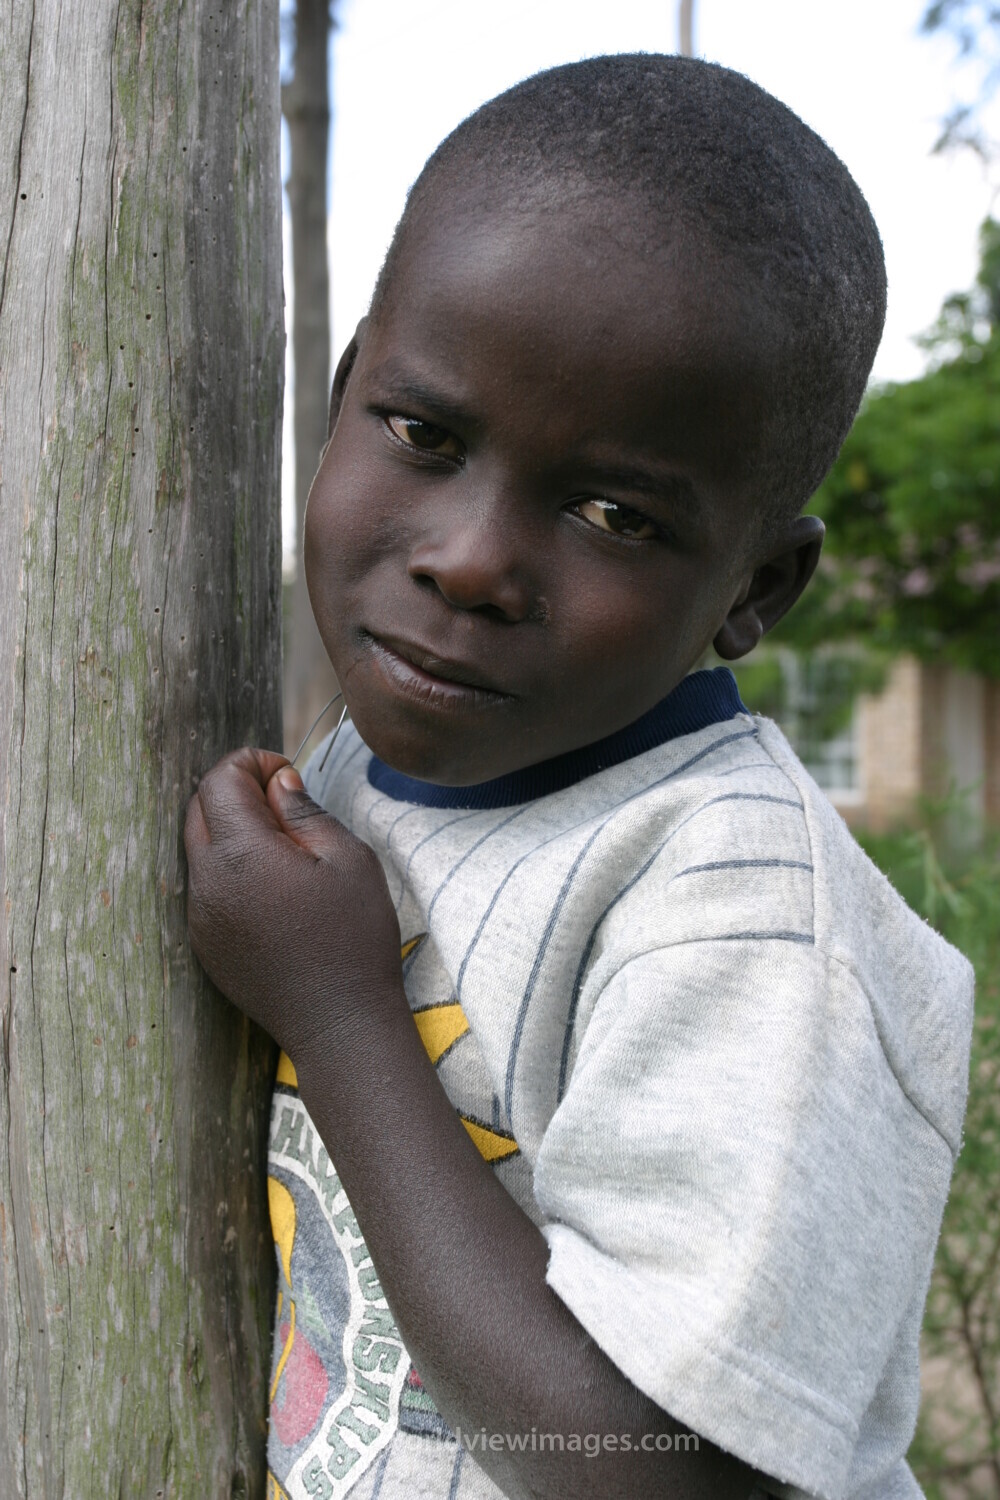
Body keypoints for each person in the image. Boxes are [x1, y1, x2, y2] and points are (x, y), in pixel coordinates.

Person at [184, 55, 975, 1500]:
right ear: (351, 382)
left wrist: (341, 1011)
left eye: (615, 513)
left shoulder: (747, 926)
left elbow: (654, 1478)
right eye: (425, 434)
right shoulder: (371, 770)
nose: (471, 559)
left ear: (758, 587)